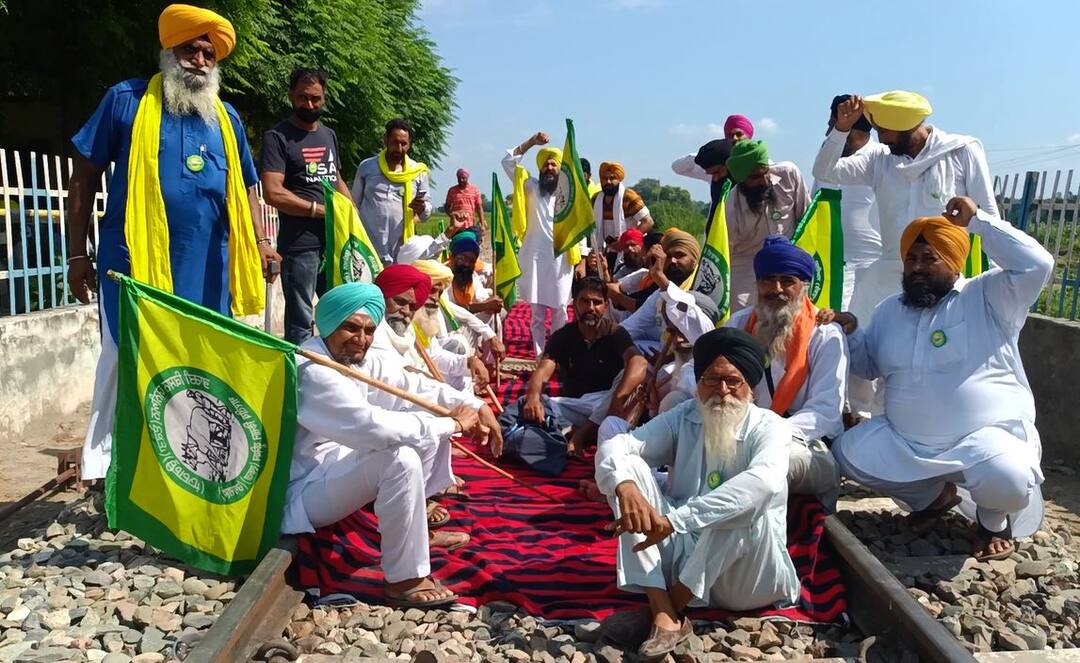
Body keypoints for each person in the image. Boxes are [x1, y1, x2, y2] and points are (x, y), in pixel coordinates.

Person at [66, 4, 279, 480]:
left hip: (210, 266)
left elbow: (246, 188)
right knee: (126, 360)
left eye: (208, 52)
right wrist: (77, 254)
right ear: (169, 50)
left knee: (201, 363)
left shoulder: (225, 117)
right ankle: (112, 471)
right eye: (190, 48)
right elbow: (83, 177)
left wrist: (263, 240)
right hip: (133, 263)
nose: (200, 59)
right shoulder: (127, 101)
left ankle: (191, 465)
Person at [831, 198, 1054, 561]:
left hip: (984, 440)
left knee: (1008, 476)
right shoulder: (890, 310)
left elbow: (1037, 264)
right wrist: (852, 331)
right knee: (848, 454)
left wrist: (979, 222)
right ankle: (936, 498)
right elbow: (868, 365)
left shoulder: (988, 296)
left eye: (928, 259)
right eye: (911, 260)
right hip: (909, 442)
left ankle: (993, 521)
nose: (917, 268)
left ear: (952, 261)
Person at [284, 282, 499, 607]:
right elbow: (372, 428)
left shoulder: (357, 357)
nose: (362, 338)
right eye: (351, 328)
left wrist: (475, 405)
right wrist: (451, 425)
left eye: (369, 329)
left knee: (416, 417)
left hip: (340, 469)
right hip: (305, 488)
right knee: (400, 455)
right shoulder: (313, 369)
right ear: (328, 325)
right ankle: (404, 580)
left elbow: (413, 385)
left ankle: (416, 534)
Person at [595, 327, 799, 657]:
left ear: (749, 385)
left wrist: (676, 520)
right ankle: (663, 610)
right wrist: (625, 485)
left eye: (733, 381)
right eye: (711, 380)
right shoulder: (684, 416)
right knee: (625, 467)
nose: (722, 391)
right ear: (699, 383)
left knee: (744, 502)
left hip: (744, 579)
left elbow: (762, 483)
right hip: (684, 558)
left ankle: (669, 607)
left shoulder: (770, 427)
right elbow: (619, 447)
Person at [812, 91, 998, 314]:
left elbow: (989, 217)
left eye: (885, 131)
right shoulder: (879, 160)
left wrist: (997, 286)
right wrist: (841, 129)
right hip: (889, 279)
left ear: (906, 126)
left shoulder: (961, 151)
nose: (881, 139)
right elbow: (824, 171)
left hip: (943, 279)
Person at [725, 236, 846, 501]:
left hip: (804, 445)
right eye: (767, 280)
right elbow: (703, 371)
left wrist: (764, 436)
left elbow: (825, 412)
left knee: (778, 459)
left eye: (787, 281)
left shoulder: (825, 335)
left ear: (803, 286)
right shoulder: (738, 325)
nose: (776, 288)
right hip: (744, 436)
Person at [261, 67, 352, 344]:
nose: (309, 105)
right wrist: (318, 210)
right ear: (291, 96)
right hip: (300, 245)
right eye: (303, 98)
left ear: (324, 97)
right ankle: (300, 380)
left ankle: (334, 373)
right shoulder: (277, 138)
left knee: (339, 312)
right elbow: (273, 192)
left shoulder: (328, 135)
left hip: (334, 242)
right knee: (301, 320)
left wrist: (350, 213)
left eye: (316, 98)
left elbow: (334, 177)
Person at [523, 277, 648, 455]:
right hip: (576, 407)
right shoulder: (563, 336)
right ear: (575, 304)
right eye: (585, 301)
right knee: (536, 404)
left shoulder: (615, 332)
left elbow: (639, 362)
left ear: (606, 305)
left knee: (631, 375)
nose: (591, 308)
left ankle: (582, 434)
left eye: (597, 302)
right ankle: (579, 431)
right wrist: (533, 397)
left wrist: (618, 397)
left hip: (609, 406)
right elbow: (543, 370)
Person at [368, 264, 497, 402]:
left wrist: (468, 362)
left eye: (412, 306)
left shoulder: (407, 326)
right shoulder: (372, 332)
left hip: (422, 386)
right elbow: (404, 375)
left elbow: (433, 355)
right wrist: (446, 393)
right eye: (399, 302)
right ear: (382, 297)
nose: (406, 311)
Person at [501, 131, 577, 357]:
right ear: (541, 169)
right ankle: (539, 354)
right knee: (537, 311)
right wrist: (532, 142)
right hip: (535, 256)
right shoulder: (530, 187)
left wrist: (581, 258)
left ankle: (557, 354)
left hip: (562, 258)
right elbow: (507, 161)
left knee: (561, 308)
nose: (550, 168)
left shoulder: (569, 195)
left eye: (554, 164)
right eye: (547, 164)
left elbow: (578, 225)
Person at [724, 139, 810, 312]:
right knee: (746, 321)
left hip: (788, 265)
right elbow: (728, 249)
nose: (764, 180)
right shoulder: (732, 204)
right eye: (755, 177)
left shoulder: (789, 175)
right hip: (746, 268)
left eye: (766, 172)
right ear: (741, 179)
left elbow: (806, 219)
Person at [351, 118, 432, 264]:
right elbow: (353, 205)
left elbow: (426, 212)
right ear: (385, 140)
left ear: (409, 144)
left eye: (404, 144)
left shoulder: (418, 171)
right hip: (368, 247)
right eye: (395, 142)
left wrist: (422, 207)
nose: (399, 149)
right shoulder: (366, 167)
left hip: (401, 249)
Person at [619, 230, 712, 354]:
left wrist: (661, 280)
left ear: (694, 261)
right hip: (664, 358)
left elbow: (702, 335)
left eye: (679, 255)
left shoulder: (704, 290)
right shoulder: (660, 294)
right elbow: (631, 327)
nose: (673, 261)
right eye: (668, 256)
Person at [412, 257, 506, 364]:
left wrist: (491, 337)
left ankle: (487, 365)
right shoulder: (409, 312)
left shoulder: (438, 302)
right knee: (457, 343)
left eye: (471, 260)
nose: (436, 298)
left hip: (438, 352)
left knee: (463, 337)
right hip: (416, 367)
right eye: (432, 290)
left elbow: (465, 315)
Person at [591, 162, 654, 273]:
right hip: (606, 252)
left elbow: (648, 222)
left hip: (630, 252)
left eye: (612, 178)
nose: (608, 182)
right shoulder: (596, 199)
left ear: (619, 180)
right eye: (604, 178)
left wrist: (625, 241)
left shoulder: (629, 197)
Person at [446, 232, 504, 334]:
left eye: (471, 260)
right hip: (449, 325)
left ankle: (492, 348)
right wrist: (484, 306)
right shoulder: (443, 276)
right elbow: (451, 310)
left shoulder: (471, 276)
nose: (466, 264)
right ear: (452, 256)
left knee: (493, 314)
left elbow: (482, 297)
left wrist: (493, 304)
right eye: (462, 258)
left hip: (467, 321)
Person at [671, 139, 732, 224]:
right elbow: (677, 167)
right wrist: (703, 155)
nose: (715, 178)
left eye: (717, 172)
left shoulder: (746, 182)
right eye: (711, 174)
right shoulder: (716, 179)